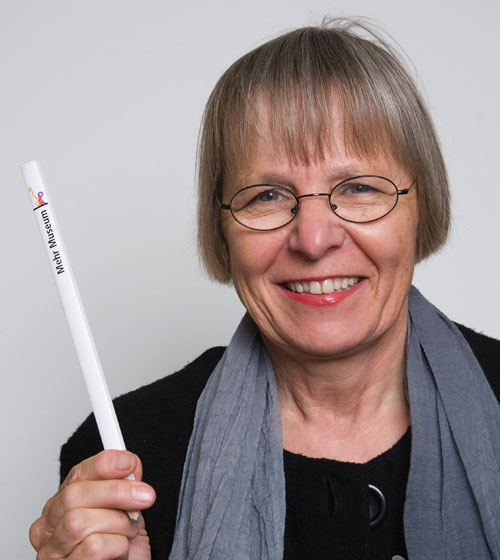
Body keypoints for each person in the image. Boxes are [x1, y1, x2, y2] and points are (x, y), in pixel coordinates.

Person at [29, 18, 500, 560]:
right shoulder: (123, 462)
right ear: (222, 231)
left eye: (359, 187)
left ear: (423, 206)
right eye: (267, 196)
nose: (314, 239)